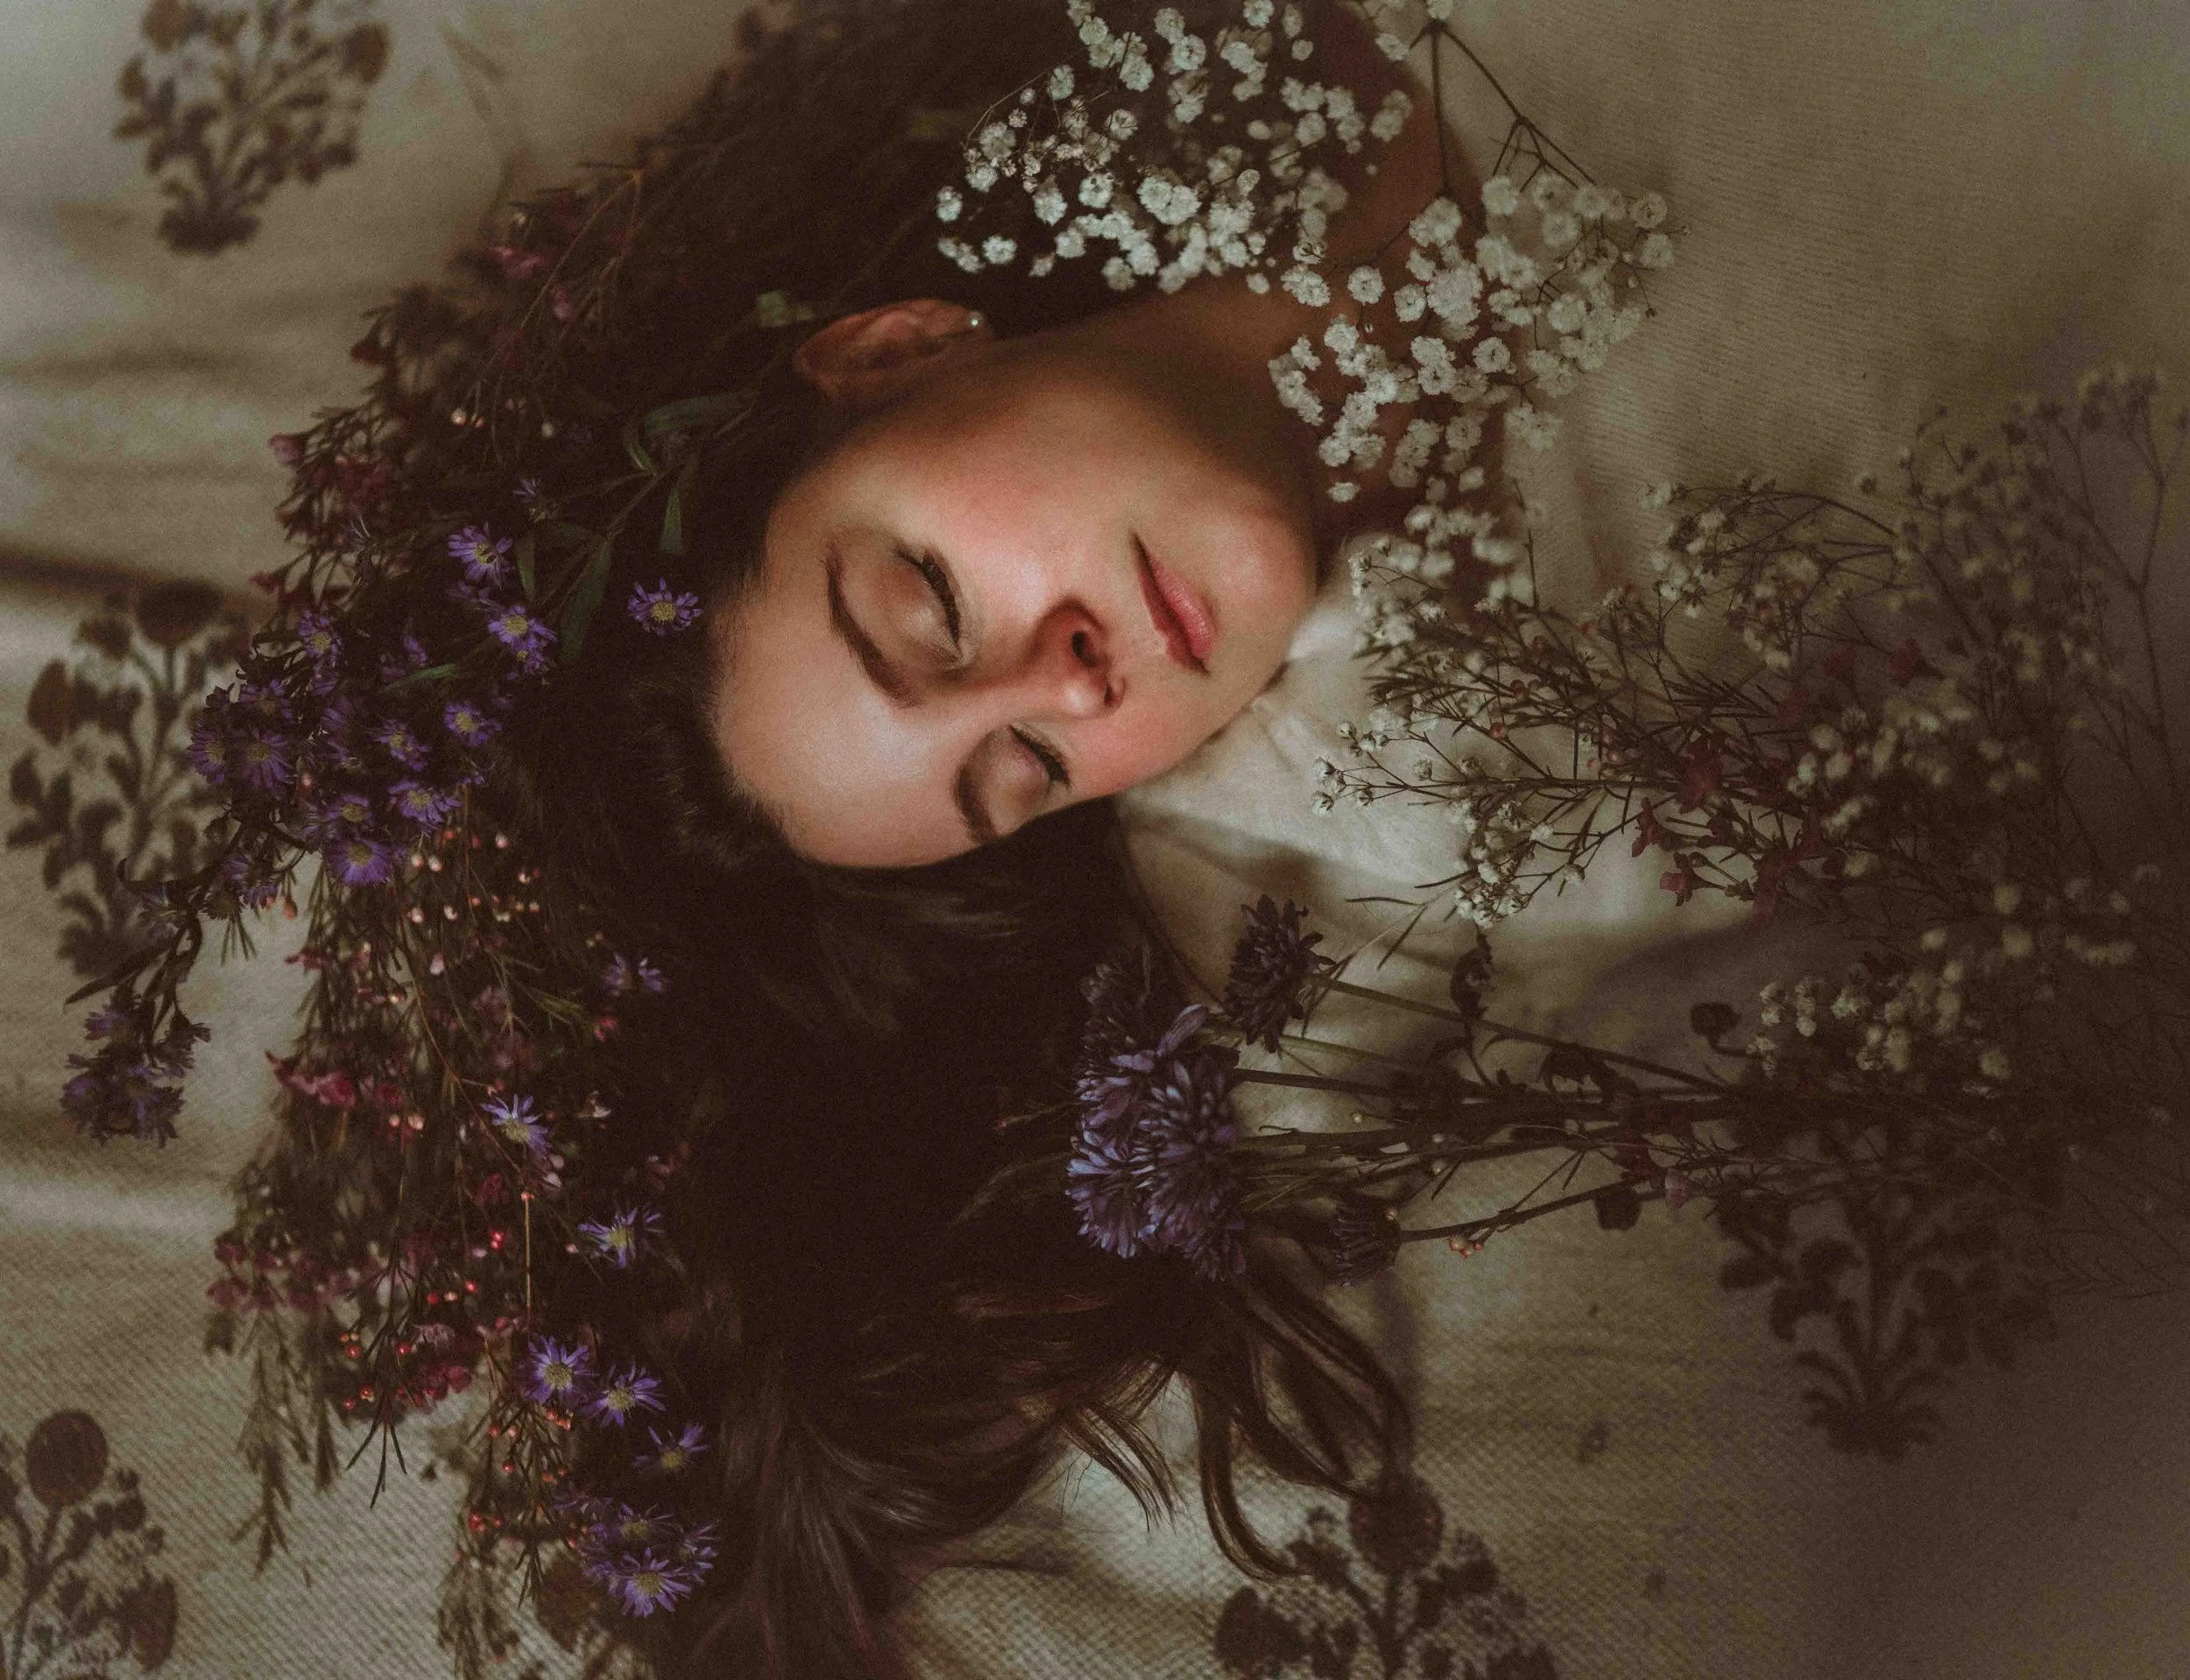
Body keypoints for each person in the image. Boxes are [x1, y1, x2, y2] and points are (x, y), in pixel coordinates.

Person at [357, 0, 1459, 1673]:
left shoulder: (1220, 44)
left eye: (931, 603)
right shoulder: (1508, 739)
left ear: (892, 351)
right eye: (1020, 771)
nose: (1069, 687)